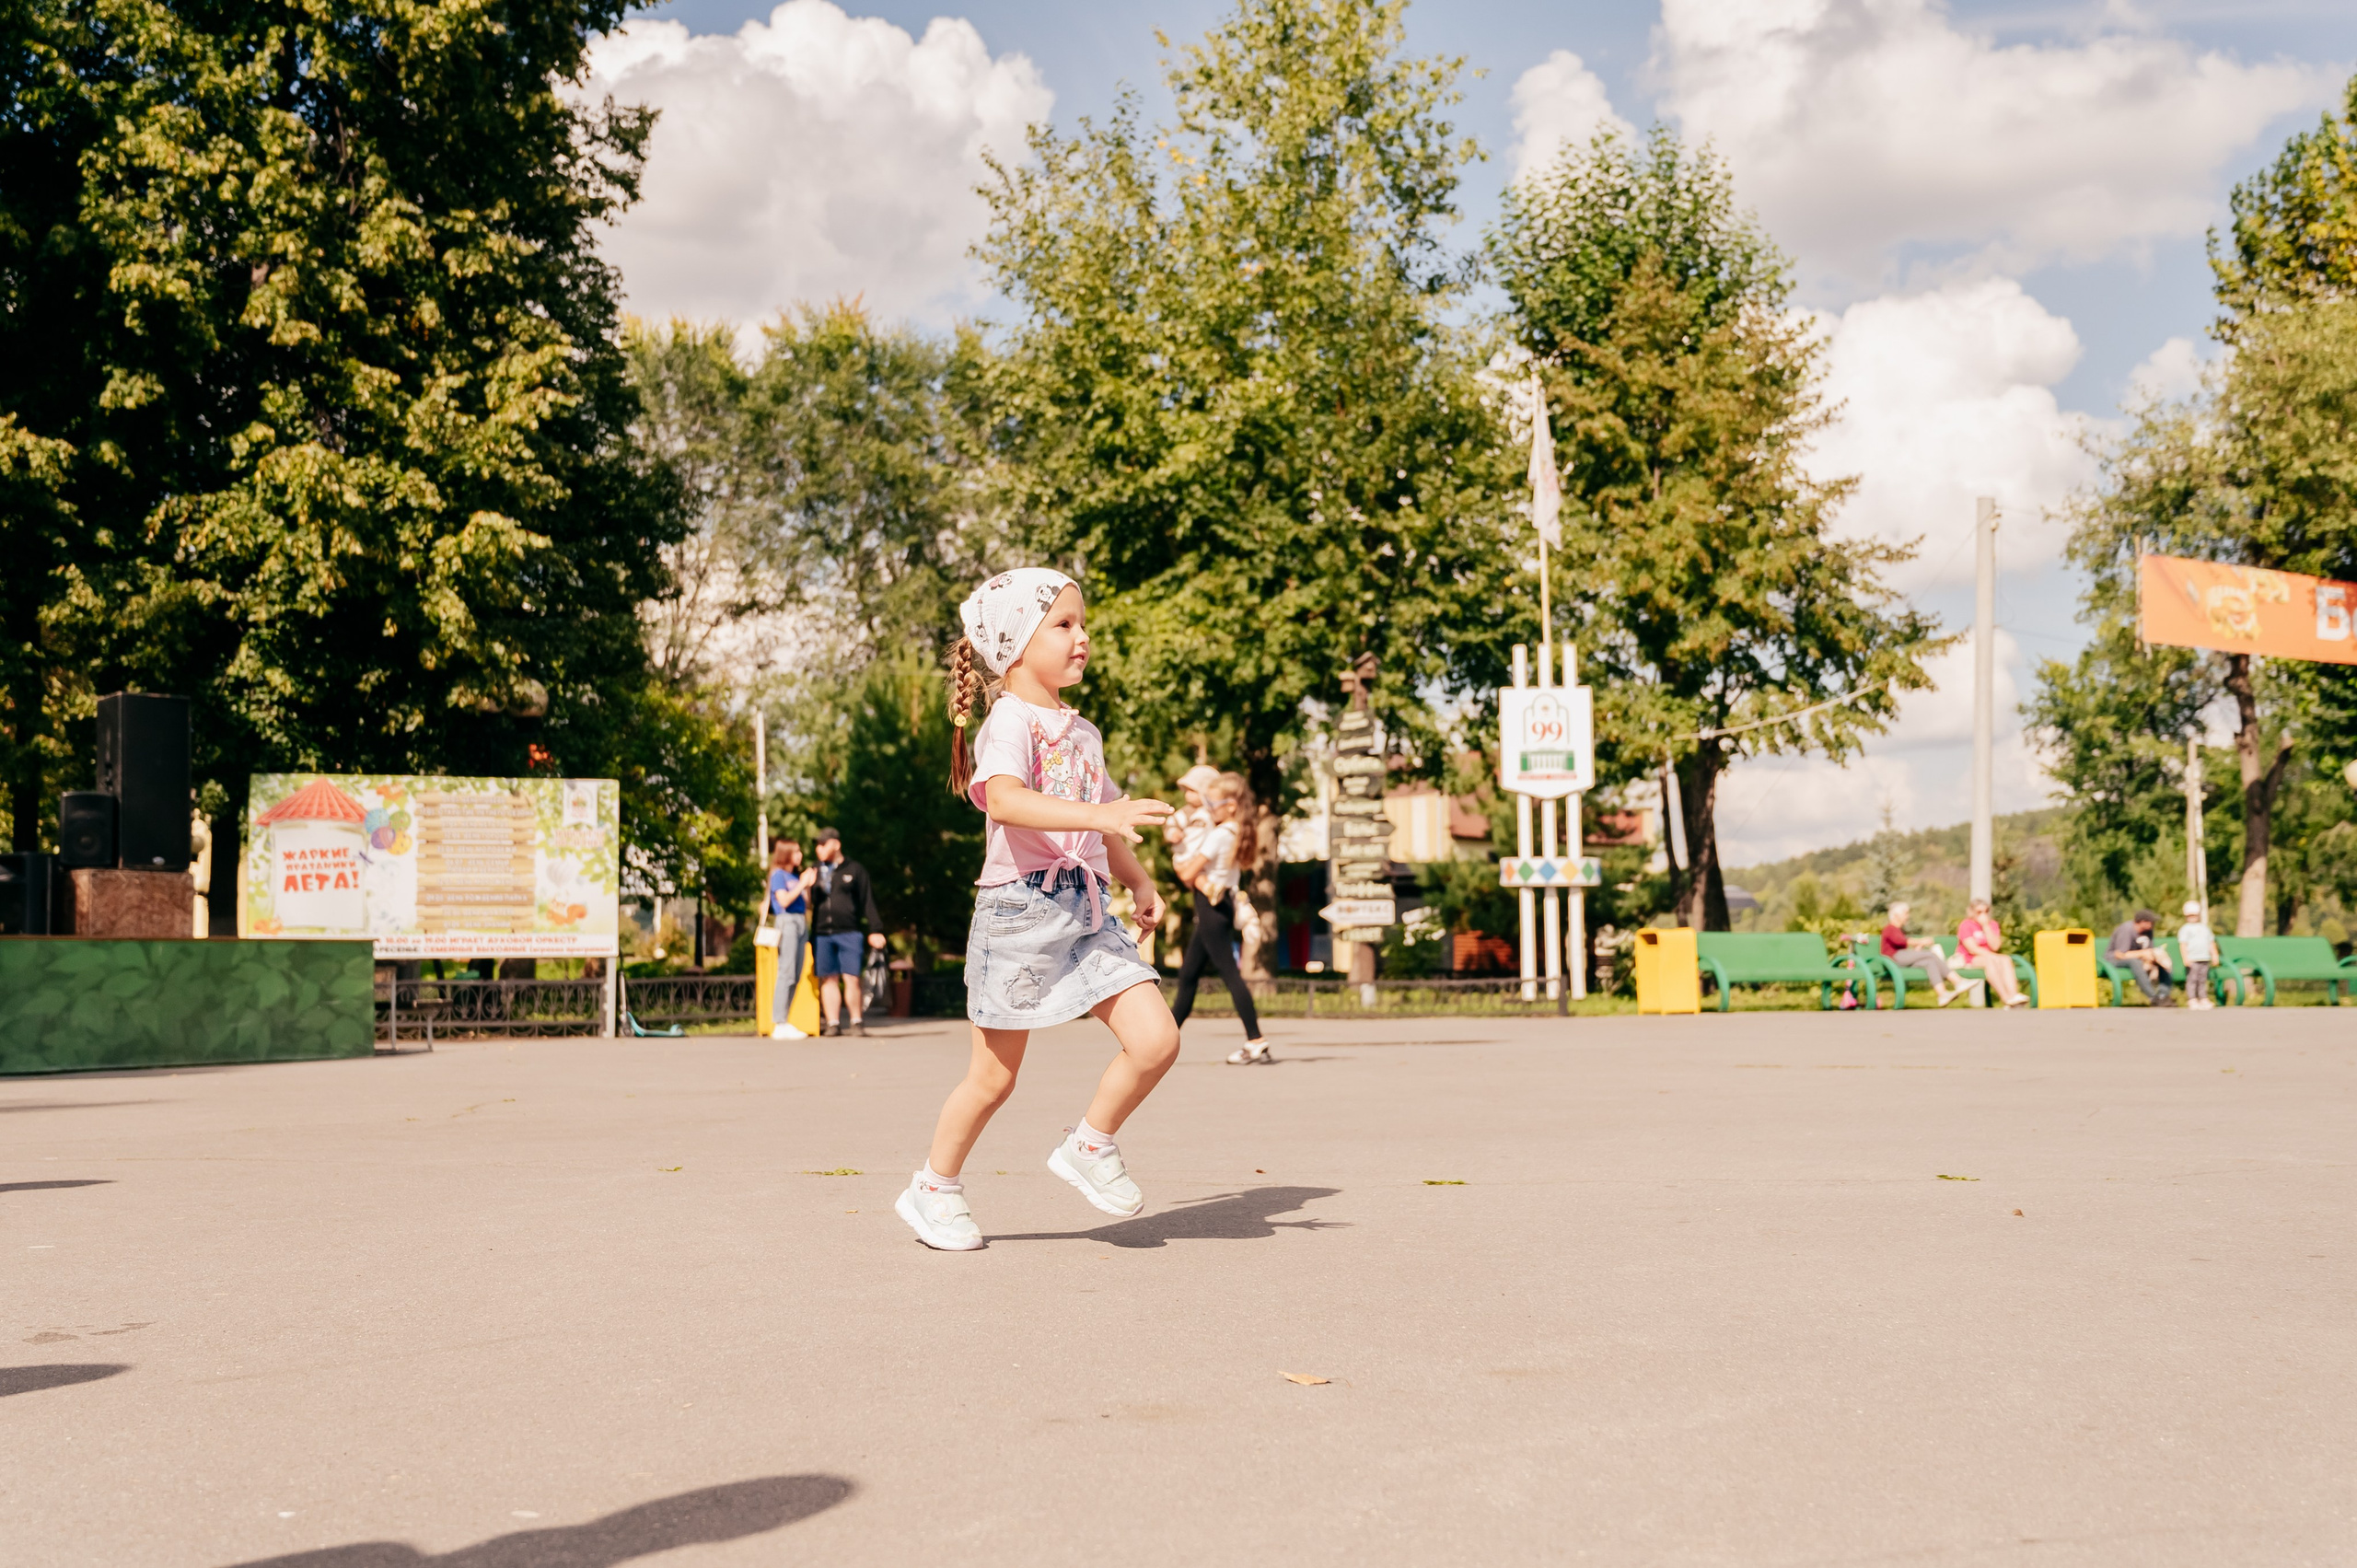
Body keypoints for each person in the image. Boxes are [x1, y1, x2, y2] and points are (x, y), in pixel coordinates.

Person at [895, 568, 1180, 1253]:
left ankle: (1089, 1143)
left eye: (1084, 625)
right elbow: (1004, 799)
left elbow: (1106, 826)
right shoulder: (1009, 721)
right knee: (994, 1077)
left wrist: (1139, 881)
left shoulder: (1084, 733)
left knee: (1157, 1040)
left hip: (1086, 914)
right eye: (1064, 625)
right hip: (1017, 916)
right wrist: (1099, 811)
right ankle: (933, 1187)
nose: (1082, 638)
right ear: (1017, 646)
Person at [1172, 772, 1273, 1064]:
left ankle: (1255, 1040)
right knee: (1189, 974)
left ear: (1230, 805)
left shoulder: (1219, 835)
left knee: (1229, 974)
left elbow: (1188, 873)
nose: (1208, 807)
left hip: (1211, 906)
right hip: (1221, 903)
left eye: (1212, 803)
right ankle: (1162, 1038)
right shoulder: (1236, 832)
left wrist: (1180, 862)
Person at [807, 828, 886, 1037]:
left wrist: (875, 929)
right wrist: (806, 885)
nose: (819, 848)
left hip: (849, 932)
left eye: (823, 844)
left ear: (836, 844)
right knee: (828, 979)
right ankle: (833, 1023)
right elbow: (806, 903)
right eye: (817, 844)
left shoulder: (854, 869)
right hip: (822, 933)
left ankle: (856, 1021)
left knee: (851, 978)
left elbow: (867, 901)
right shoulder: (813, 871)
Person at [763, 840, 814, 1040]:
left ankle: (786, 1020)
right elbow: (783, 901)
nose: (800, 855)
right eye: (796, 851)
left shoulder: (794, 876)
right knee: (786, 972)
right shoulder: (778, 875)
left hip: (801, 922)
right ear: (786, 854)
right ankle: (779, 1022)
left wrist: (806, 885)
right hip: (787, 922)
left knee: (796, 973)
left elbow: (806, 903)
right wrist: (801, 883)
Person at [1881, 902, 1968, 1006]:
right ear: (1896, 915)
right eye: (1905, 913)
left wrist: (1917, 949)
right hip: (1893, 959)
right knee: (1930, 954)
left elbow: (1902, 945)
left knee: (1929, 962)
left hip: (1900, 958)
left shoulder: (1897, 930)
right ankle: (1957, 981)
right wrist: (1922, 941)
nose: (1907, 916)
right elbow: (1901, 941)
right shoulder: (1890, 928)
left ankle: (1942, 994)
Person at [1956, 897, 2027, 1007]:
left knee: (2006, 959)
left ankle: (2014, 995)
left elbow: (1995, 946)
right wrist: (1992, 956)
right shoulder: (1966, 925)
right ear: (1972, 912)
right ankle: (2005, 998)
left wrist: (1985, 927)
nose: (1983, 915)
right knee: (1990, 961)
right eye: (1979, 912)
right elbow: (1972, 949)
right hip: (1970, 959)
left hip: (1990, 956)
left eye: (1986, 911)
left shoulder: (1992, 925)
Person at [2107, 909, 2176, 1006]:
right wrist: (2142, 953)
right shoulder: (2126, 929)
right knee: (2134, 962)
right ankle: (2153, 997)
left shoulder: (2148, 932)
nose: (2153, 924)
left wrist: (2157, 958)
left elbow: (2149, 951)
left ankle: (2163, 996)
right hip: (2113, 961)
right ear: (2143, 922)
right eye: (2151, 922)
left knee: (2163, 961)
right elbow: (2120, 955)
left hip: (2138, 960)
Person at [2177, 900, 2218, 1010]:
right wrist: (2185, 958)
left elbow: (2211, 942)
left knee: (2202, 979)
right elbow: (2183, 944)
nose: (2192, 917)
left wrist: (2214, 955)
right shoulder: (2185, 929)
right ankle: (2192, 999)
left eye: (2194, 915)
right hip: (2193, 959)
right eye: (2190, 915)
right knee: (2192, 979)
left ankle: (2203, 998)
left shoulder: (2204, 928)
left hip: (2204, 958)